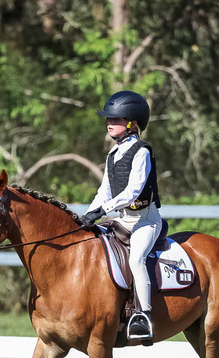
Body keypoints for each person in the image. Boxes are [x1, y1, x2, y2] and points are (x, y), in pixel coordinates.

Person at [80, 90, 162, 341]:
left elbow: (132, 191)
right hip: (122, 219)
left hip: (145, 220)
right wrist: (87, 215)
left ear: (132, 124)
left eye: (116, 119)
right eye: (109, 119)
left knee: (136, 260)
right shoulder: (113, 154)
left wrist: (103, 210)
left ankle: (143, 316)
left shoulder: (141, 152)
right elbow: (104, 191)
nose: (109, 123)